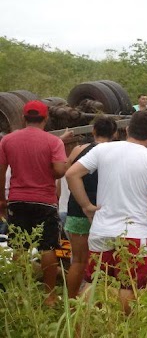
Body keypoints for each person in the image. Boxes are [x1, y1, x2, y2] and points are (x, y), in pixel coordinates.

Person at [66, 111, 147, 314]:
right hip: (134, 235)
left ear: (127, 129)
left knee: (92, 281)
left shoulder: (103, 150)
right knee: (128, 284)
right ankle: (126, 328)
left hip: (101, 231)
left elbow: (71, 174)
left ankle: (82, 326)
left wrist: (86, 205)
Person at [0, 100, 72, 305]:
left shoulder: (8, 140)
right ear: (46, 118)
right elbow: (59, 171)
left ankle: (20, 293)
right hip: (45, 201)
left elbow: (1, 170)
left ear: (23, 118)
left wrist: (1, 199)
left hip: (17, 200)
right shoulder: (53, 142)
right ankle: (49, 295)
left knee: (19, 247)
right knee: (48, 247)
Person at [64, 117, 117, 299]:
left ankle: (71, 302)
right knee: (106, 261)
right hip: (105, 213)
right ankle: (102, 301)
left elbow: (67, 171)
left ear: (93, 131)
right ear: (115, 134)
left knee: (78, 261)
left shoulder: (79, 149)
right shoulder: (116, 153)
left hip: (78, 210)